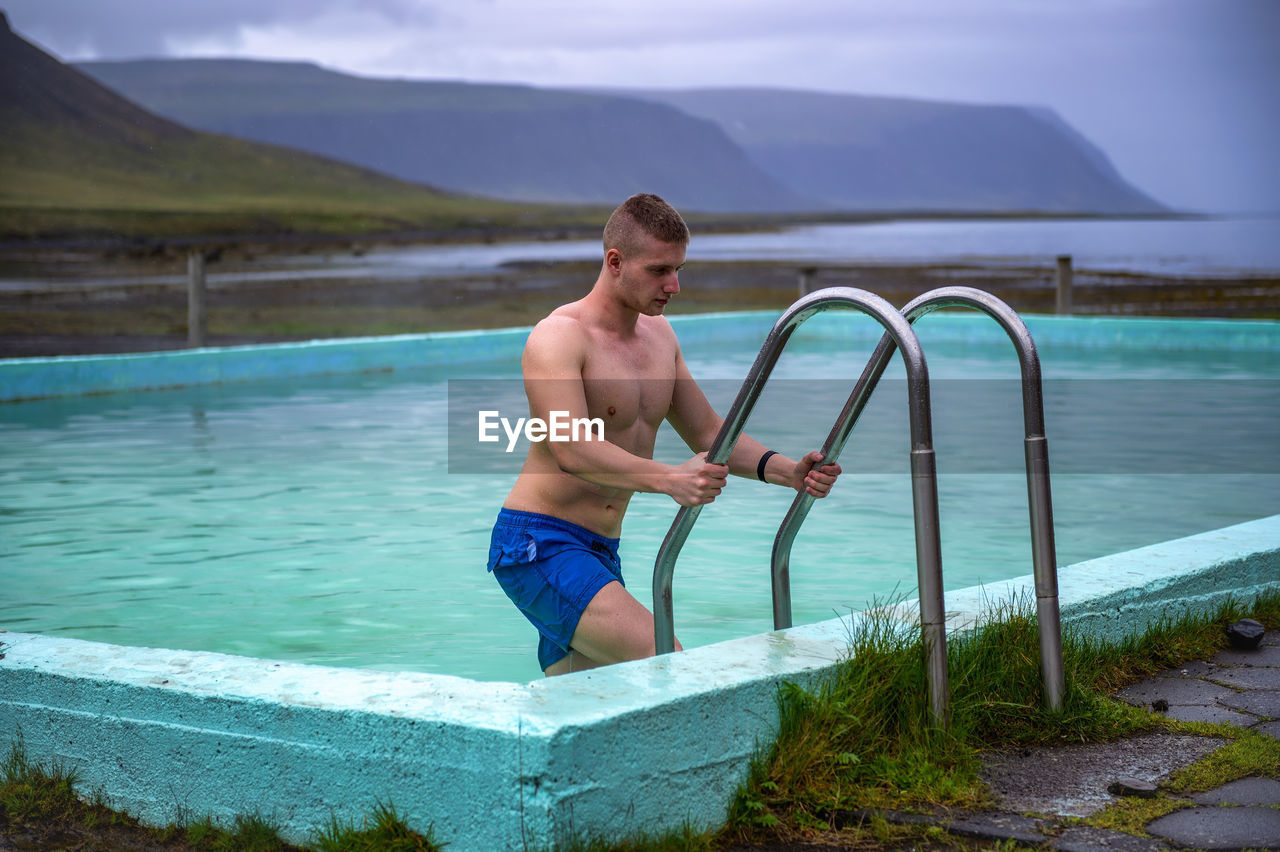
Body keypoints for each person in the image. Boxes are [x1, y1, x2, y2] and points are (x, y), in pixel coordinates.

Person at [486, 193, 842, 676]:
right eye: (659, 270)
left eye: (679, 269)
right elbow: (569, 447)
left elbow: (710, 431)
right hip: (539, 543)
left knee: (588, 704)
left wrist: (786, 472)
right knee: (665, 662)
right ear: (615, 262)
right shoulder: (559, 337)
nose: (673, 285)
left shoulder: (660, 339)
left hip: (600, 550)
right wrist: (670, 479)